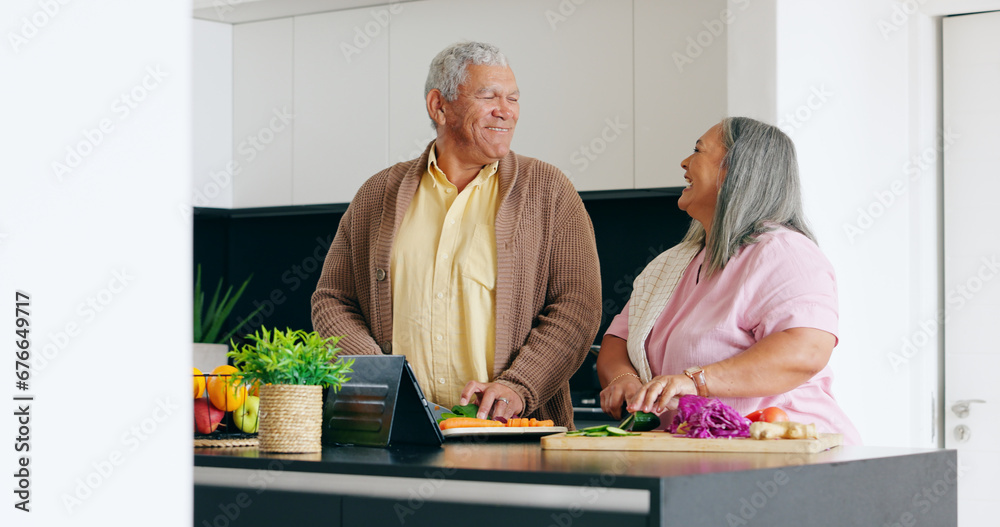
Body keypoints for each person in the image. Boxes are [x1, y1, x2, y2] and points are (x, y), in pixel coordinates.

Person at [311, 42, 601, 427]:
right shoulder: (377, 195)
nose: (506, 110)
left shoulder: (548, 190)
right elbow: (333, 299)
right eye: (489, 96)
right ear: (439, 106)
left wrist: (519, 385)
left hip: (511, 435)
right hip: (399, 431)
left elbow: (578, 305)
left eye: (513, 98)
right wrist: (378, 375)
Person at [596, 117, 861, 444]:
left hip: (790, 455)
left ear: (735, 171)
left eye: (697, 150)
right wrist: (624, 379)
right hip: (702, 455)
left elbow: (805, 351)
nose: (684, 162)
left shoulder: (784, 251)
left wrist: (695, 382)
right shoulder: (670, 264)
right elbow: (616, 340)